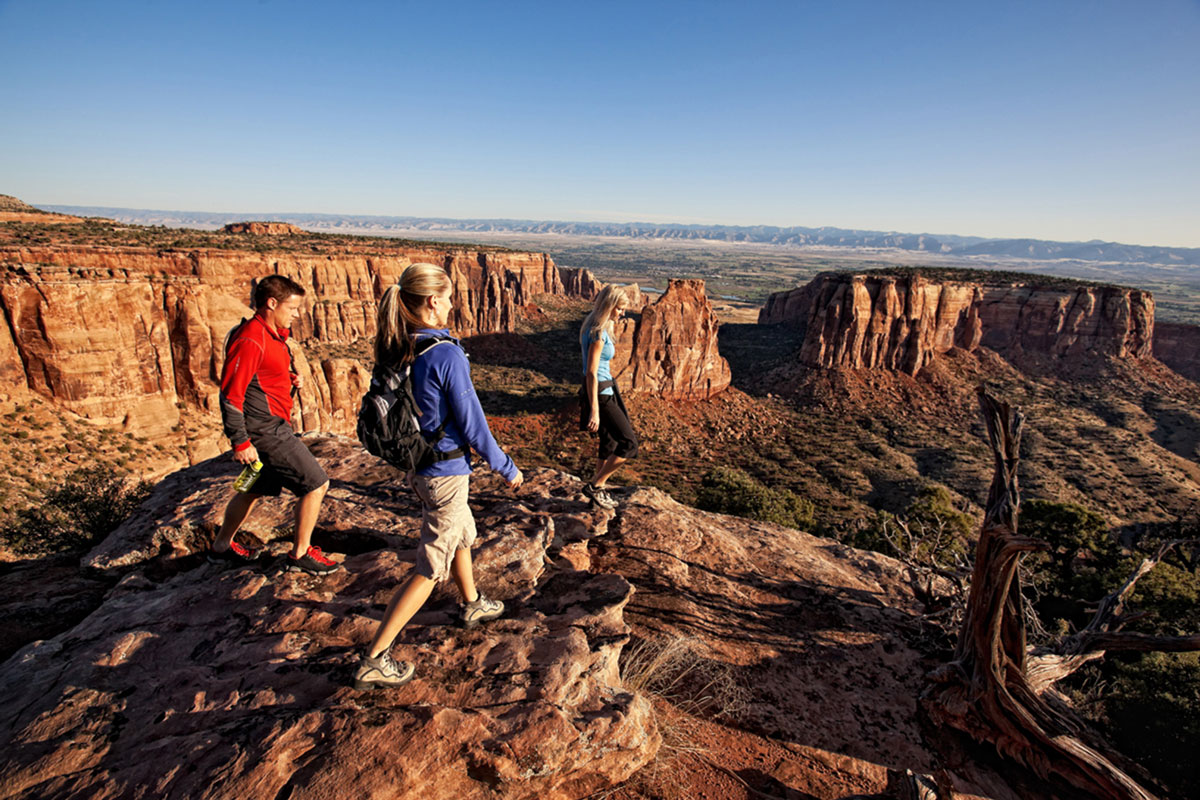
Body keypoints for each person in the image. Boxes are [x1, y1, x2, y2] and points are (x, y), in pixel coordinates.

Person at [354, 263, 524, 690]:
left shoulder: (401, 344)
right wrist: (506, 466)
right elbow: (473, 426)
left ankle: (471, 602)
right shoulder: (444, 353)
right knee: (431, 567)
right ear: (432, 301)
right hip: (444, 471)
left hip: (422, 466)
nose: (452, 304)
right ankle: (374, 658)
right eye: (447, 298)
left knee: (462, 531)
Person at [209, 275, 339, 576]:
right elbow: (231, 393)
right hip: (266, 431)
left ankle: (221, 548)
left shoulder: (271, 334)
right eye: (292, 308)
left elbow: (261, 377)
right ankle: (300, 554)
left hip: (268, 424)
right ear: (271, 303)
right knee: (317, 484)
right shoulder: (250, 338)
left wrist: (288, 380)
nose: (296, 314)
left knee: (252, 490)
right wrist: (240, 442)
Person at [579, 285, 639, 509]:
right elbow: (592, 371)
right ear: (609, 306)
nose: (622, 313)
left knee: (609, 442)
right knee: (629, 444)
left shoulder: (593, 324)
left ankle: (598, 492)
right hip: (601, 393)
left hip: (605, 389)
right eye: (620, 308)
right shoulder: (598, 332)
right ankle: (596, 484)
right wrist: (594, 408)